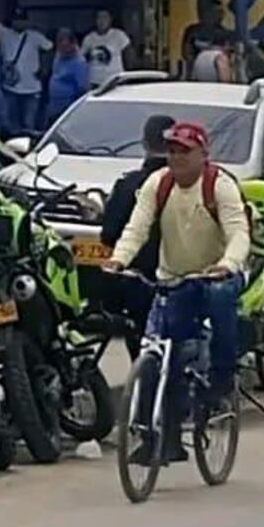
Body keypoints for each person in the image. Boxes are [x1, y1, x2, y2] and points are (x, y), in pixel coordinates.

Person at [102, 121, 250, 462]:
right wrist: (119, 260)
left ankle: (223, 379)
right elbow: (136, 228)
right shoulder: (158, 184)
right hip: (173, 278)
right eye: (171, 150)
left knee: (220, 299)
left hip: (217, 275)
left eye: (185, 151)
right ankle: (159, 438)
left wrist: (227, 264)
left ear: (203, 154)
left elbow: (239, 232)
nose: (177, 157)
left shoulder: (220, 186)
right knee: (162, 355)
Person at [99, 115, 176, 360]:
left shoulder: (128, 185)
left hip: (139, 283)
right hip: (184, 280)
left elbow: (109, 234)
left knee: (141, 345)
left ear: (144, 143)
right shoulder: (194, 184)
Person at [0, 18, 52, 135]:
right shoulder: (4, 33)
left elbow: (50, 48)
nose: (19, 23)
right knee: (11, 126)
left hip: (32, 88)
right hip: (10, 88)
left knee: (28, 125)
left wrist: (45, 67)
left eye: (22, 20)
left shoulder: (35, 36)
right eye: (17, 20)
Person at [42, 27, 90, 127]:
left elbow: (82, 89)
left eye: (64, 45)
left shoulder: (79, 62)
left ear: (72, 44)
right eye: (59, 44)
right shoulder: (59, 56)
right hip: (53, 106)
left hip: (67, 110)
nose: (61, 48)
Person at [181, 0, 234, 77]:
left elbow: (228, 52)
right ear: (207, 12)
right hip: (196, 69)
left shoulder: (224, 33)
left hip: (217, 70)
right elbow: (186, 53)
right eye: (217, 12)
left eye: (222, 12)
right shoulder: (193, 31)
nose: (221, 16)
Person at [81, 10, 132, 90]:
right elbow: (83, 59)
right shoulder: (89, 39)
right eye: (99, 17)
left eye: (105, 17)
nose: (102, 21)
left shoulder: (119, 35)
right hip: (95, 82)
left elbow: (129, 56)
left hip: (115, 81)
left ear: (110, 19)